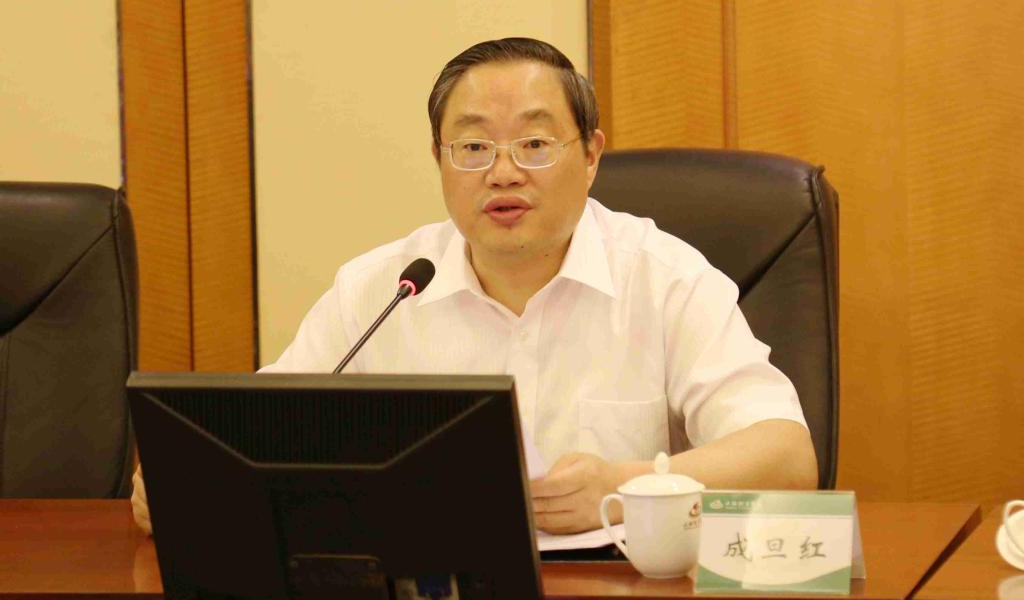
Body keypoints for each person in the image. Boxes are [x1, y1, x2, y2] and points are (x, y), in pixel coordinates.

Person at [132, 37, 817, 535]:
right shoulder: (383, 289)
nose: (503, 172)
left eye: (535, 144)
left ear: (591, 155)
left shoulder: (666, 277)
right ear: (439, 159)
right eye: (473, 147)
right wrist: (184, 483)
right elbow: (254, 437)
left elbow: (786, 458)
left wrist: (624, 485)